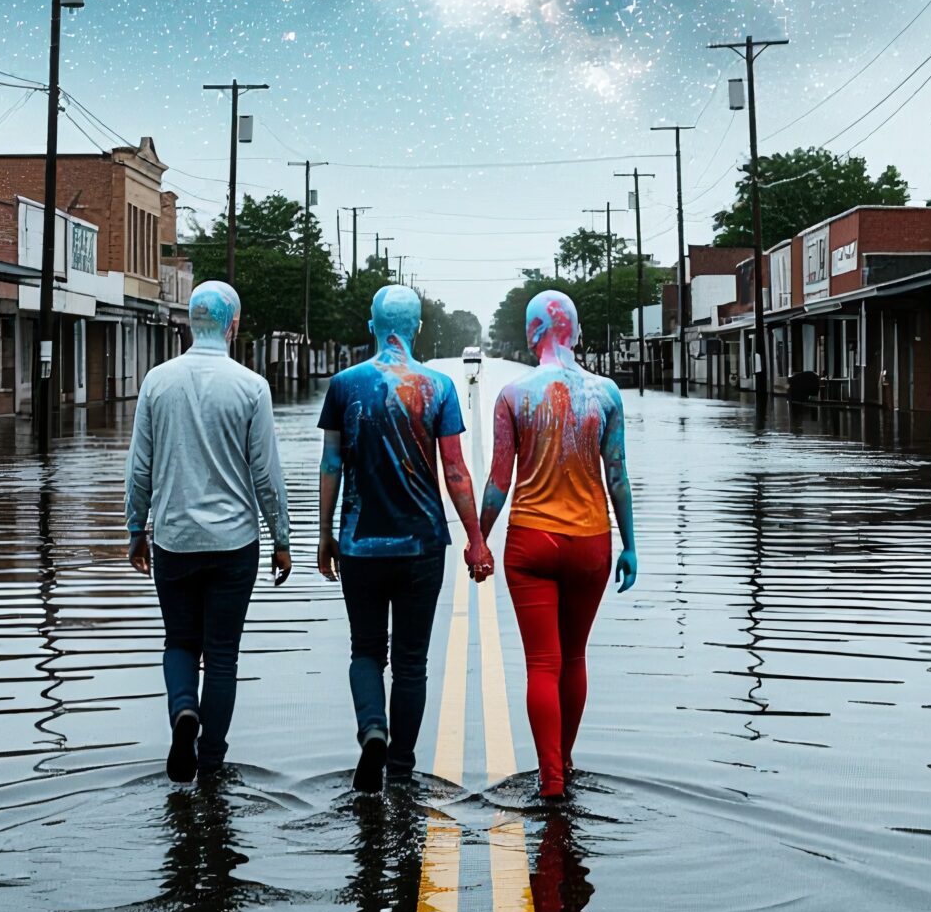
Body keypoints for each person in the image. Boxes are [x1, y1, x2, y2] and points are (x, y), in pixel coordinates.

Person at [317, 285, 494, 793]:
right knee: (412, 661)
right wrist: (476, 540)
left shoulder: (345, 385)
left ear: (372, 325)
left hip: (360, 544)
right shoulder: (438, 387)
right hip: (421, 546)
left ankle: (373, 730)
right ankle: (400, 768)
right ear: (416, 328)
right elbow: (456, 471)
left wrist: (325, 532)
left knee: (366, 651)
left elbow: (331, 464)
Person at [127, 280, 291, 782]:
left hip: (173, 539)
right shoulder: (251, 387)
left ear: (187, 322)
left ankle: (183, 711)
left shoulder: (157, 382)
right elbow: (265, 473)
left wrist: (136, 529)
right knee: (222, 655)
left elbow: (140, 468)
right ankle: (212, 762)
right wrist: (282, 537)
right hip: (233, 544)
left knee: (179, 642)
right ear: (233, 324)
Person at [480, 289, 637, 802]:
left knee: (541, 664)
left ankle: (549, 777)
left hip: (531, 544)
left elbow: (499, 482)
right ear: (576, 331)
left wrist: (478, 537)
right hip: (591, 542)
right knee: (574, 659)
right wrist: (630, 546)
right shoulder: (607, 393)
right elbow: (618, 477)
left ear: (533, 333)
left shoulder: (513, 395)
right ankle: (566, 761)